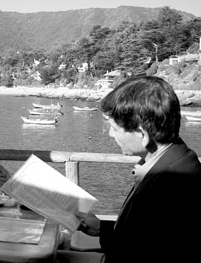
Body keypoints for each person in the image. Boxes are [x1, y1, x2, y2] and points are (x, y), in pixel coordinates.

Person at [74, 76, 201, 263]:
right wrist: (102, 228)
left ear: (143, 135)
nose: (110, 134)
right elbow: (141, 236)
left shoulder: (170, 185)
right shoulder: (174, 161)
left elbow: (136, 253)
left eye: (115, 128)